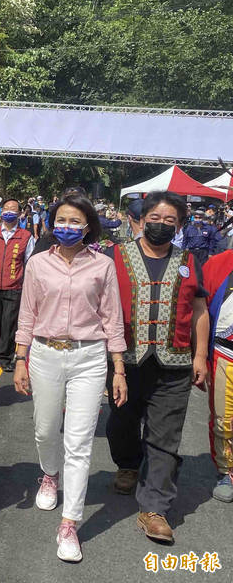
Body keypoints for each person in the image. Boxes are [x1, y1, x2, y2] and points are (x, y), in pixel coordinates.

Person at [13, 195, 127, 562]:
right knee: (45, 430)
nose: (67, 226)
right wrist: (19, 357)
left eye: (75, 221)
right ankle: (49, 474)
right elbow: (27, 313)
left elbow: (112, 318)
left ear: (88, 226)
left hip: (89, 357)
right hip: (45, 354)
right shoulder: (37, 264)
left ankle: (69, 524)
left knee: (79, 442)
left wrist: (118, 368)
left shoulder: (103, 266)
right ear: (51, 222)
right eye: (61, 219)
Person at [105, 191, 209, 544]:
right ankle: (128, 464)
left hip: (174, 363)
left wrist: (200, 357)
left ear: (180, 226)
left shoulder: (189, 260)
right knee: (121, 421)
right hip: (125, 362)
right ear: (141, 219)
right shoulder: (114, 256)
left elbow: (198, 310)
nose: (162, 226)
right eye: (156, 219)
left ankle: (155, 508)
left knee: (165, 437)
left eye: (171, 221)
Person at [0, 198, 35, 371]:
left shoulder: (26, 236)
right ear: (1, 212)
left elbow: (31, 263)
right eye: (6, 208)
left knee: (9, 323)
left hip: (14, 288)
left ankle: (5, 357)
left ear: (19, 214)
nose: (9, 212)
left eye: (13, 209)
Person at [201, 250, 233, 502]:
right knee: (224, 417)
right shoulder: (219, 263)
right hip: (225, 353)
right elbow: (201, 309)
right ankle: (227, 470)